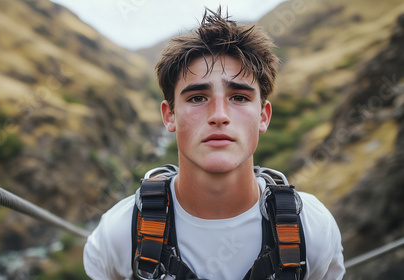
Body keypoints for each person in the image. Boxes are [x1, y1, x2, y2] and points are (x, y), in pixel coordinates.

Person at [83, 7, 345, 280]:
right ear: (169, 116)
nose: (219, 115)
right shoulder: (118, 234)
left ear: (263, 117)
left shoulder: (313, 228)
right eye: (197, 98)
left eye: (239, 97)